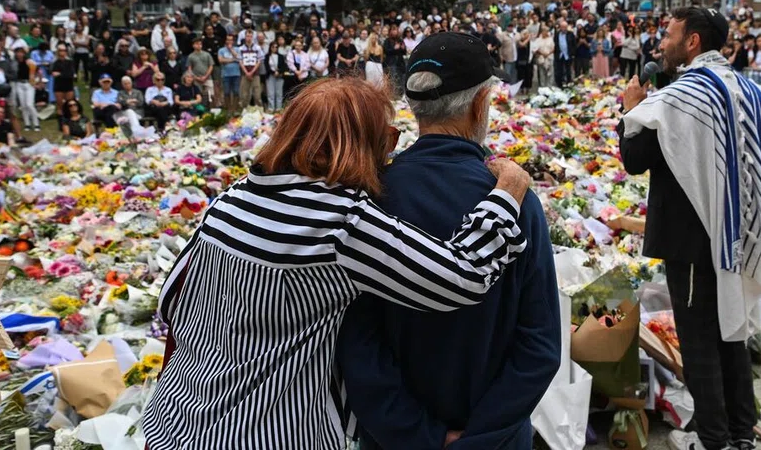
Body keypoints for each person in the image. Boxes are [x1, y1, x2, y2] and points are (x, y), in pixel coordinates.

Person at [142, 77, 533, 450]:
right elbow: (463, 277)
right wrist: (508, 192)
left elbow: (172, 302)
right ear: (359, 143)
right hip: (266, 433)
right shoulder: (340, 222)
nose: (392, 153)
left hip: (173, 419)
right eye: (389, 139)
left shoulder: (233, 198)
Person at [338, 33, 560, 450]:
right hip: (496, 439)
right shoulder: (512, 198)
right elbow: (540, 346)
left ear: (413, 107)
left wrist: (421, 435)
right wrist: (477, 439)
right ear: (480, 105)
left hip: (394, 439)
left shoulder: (369, 195)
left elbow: (358, 341)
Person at [619, 7, 761, 450]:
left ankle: (714, 440)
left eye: (670, 34)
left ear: (693, 41)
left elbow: (636, 160)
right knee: (732, 334)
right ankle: (739, 433)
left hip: (693, 240)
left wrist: (633, 110)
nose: (662, 43)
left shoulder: (684, 96)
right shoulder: (749, 91)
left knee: (699, 344)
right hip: (736, 232)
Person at [10, 46, 40, 132]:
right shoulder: (14, 63)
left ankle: (36, 123)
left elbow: (38, 71)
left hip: (29, 84)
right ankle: (27, 123)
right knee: (23, 106)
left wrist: (38, 81)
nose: (19, 54)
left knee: (29, 104)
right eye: (18, 52)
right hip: (19, 83)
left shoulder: (29, 62)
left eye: (21, 52)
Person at [238, 29, 264, 108]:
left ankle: (260, 110)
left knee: (257, 94)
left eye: (250, 36)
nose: (249, 38)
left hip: (255, 74)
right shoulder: (241, 49)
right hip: (244, 74)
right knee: (244, 94)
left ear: (253, 37)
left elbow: (259, 61)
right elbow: (240, 62)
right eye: (247, 36)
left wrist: (252, 72)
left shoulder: (257, 48)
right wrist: (246, 73)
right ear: (245, 37)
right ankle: (244, 110)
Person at [186, 37, 215, 107]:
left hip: (208, 78)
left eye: (200, 44)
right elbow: (189, 69)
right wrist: (196, 77)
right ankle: (201, 110)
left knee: (211, 95)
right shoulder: (190, 56)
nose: (199, 45)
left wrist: (206, 76)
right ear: (193, 45)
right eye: (197, 44)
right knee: (198, 95)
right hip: (196, 79)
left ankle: (211, 109)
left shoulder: (207, 54)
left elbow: (211, 66)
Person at [218, 35, 241, 113]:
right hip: (225, 74)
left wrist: (231, 49)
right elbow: (221, 60)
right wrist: (233, 60)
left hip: (236, 74)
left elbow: (239, 59)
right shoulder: (221, 50)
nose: (229, 41)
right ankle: (228, 109)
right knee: (226, 92)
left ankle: (235, 109)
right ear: (225, 41)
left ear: (233, 41)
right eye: (228, 40)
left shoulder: (237, 49)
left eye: (231, 40)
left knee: (236, 92)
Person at [50, 43, 76, 114]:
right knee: (59, 104)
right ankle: (61, 120)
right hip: (58, 85)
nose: (62, 52)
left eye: (64, 50)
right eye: (60, 50)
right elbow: (53, 73)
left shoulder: (70, 62)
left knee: (69, 104)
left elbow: (71, 74)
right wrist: (63, 74)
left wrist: (60, 74)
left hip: (68, 85)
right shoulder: (54, 62)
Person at [265, 42, 285, 110]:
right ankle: (271, 108)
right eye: (273, 47)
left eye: (276, 47)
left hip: (279, 76)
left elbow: (283, 66)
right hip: (270, 76)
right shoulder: (267, 56)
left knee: (279, 93)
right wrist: (273, 72)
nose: (274, 48)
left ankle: (278, 108)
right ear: (270, 48)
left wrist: (278, 72)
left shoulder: (281, 56)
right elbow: (267, 67)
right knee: (270, 93)